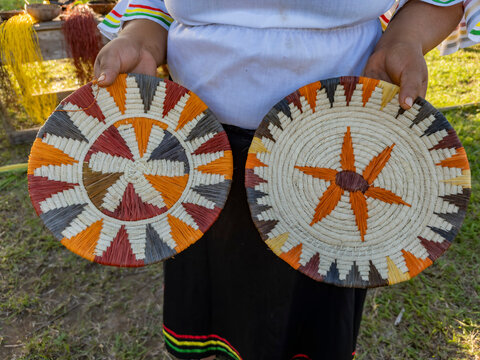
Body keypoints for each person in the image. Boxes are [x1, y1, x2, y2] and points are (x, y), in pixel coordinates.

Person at [94, 1, 478, 359]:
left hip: (334, 151)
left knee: (310, 322)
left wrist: (404, 38)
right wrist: (138, 39)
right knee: (213, 309)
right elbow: (157, 6)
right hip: (200, 153)